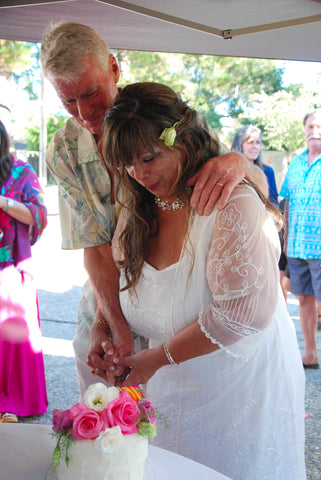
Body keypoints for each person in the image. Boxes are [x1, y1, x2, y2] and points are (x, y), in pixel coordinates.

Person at [40, 22, 267, 399]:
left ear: (113, 68)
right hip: (109, 297)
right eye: (67, 100)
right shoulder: (63, 150)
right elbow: (95, 246)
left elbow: (246, 190)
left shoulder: (158, 112)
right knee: (103, 412)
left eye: (91, 92)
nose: (83, 111)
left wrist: (240, 164)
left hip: (179, 299)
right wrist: (110, 322)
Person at [95, 82, 306, 479]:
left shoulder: (229, 201)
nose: (139, 174)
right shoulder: (137, 210)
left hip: (239, 391)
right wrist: (103, 327)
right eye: (127, 163)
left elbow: (243, 316)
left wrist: (153, 360)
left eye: (148, 157)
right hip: (166, 386)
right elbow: (119, 283)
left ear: (182, 139)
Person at [0, 120, 48, 423]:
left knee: (12, 337)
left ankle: (11, 404)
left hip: (10, 266)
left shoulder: (21, 173)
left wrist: (3, 202)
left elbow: (38, 215)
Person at [280, 110, 321, 369]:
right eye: (309, 126)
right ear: (304, 130)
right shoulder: (295, 163)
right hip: (296, 245)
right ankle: (311, 353)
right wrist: (285, 240)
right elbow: (287, 202)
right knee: (304, 299)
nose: (314, 130)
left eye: (319, 126)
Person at [231, 124, 279, 204]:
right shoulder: (230, 172)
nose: (255, 147)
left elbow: (274, 204)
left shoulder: (268, 172)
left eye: (258, 143)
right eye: (250, 142)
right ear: (239, 145)